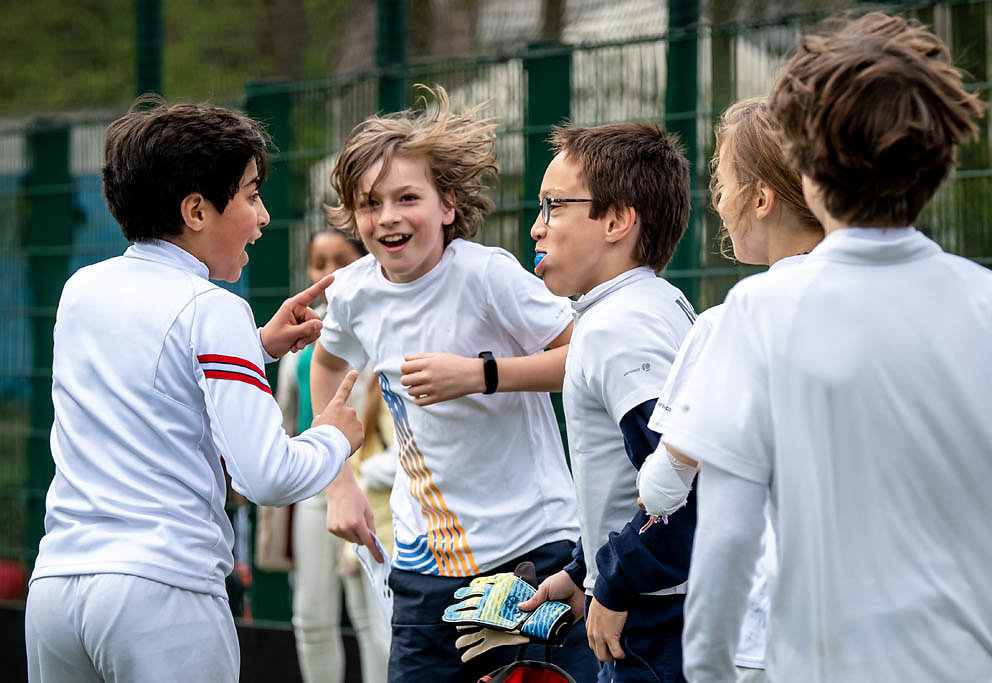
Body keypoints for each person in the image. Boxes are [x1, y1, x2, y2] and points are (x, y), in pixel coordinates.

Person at [661, 12, 991, 682]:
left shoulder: (759, 311)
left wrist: (708, 671)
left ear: (805, 167)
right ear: (941, 160)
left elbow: (725, 538)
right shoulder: (986, 302)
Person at [24, 99, 364, 683]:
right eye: (253, 194)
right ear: (197, 210)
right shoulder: (214, 309)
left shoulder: (81, 290)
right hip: (163, 597)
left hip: (55, 594)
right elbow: (268, 477)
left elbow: (150, 375)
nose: (263, 217)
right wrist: (334, 437)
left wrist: (256, 345)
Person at [311, 85, 595, 682]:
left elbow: (585, 356)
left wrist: (480, 375)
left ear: (447, 205)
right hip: (424, 563)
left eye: (406, 197)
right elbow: (329, 364)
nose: (387, 217)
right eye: (369, 203)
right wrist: (338, 480)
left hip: (531, 550)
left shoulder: (488, 275)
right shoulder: (354, 291)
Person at [635, 96, 824, 683]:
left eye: (722, 181)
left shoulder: (735, 319)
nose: (716, 201)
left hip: (763, 628)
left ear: (761, 198)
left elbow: (663, 488)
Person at [518, 121, 696, 683]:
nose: (535, 228)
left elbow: (680, 490)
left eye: (553, 206)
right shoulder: (648, 303)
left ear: (617, 220)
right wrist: (583, 569)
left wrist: (614, 583)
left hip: (654, 616)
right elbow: (630, 482)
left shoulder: (619, 327)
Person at [278, 227, 393, 683]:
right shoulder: (297, 335)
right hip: (312, 486)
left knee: (371, 616)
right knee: (310, 614)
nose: (329, 273)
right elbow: (291, 412)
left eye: (339, 260)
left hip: (369, 484)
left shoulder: (375, 321)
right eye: (318, 263)